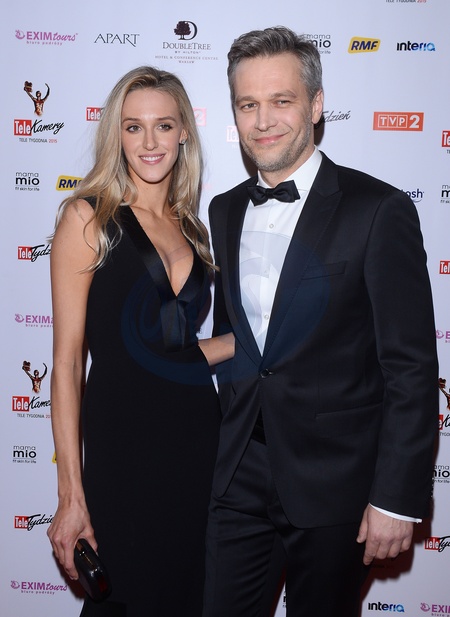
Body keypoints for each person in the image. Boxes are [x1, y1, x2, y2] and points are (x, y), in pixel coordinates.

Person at [203, 26, 438, 617]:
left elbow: (410, 367)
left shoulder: (377, 209)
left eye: (281, 101)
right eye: (248, 104)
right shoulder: (224, 210)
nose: (263, 121)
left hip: (337, 482)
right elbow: (242, 340)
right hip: (239, 473)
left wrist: (395, 497)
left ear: (315, 105)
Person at [47, 65, 233, 617]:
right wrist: (70, 494)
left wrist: (252, 342)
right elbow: (66, 364)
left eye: (163, 125)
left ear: (184, 133)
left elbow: (173, 356)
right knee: (126, 594)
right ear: (117, 134)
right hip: (123, 445)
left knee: (188, 592)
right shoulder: (88, 218)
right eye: (134, 127)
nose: (149, 142)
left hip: (197, 439)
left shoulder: (191, 227)